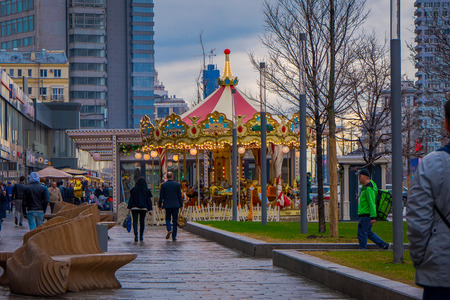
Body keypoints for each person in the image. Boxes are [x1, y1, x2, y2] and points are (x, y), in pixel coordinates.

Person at [407, 100, 450, 300]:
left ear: (446, 124)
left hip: (442, 272)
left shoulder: (432, 165)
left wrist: (421, 259)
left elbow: (417, 221)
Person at [357, 169, 389, 250]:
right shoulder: (368, 187)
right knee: (368, 232)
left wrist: (373, 217)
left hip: (366, 214)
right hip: (366, 214)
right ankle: (383, 245)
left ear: (364, 177)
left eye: (359, 176)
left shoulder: (368, 189)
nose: (358, 178)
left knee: (361, 232)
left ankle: (363, 249)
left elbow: (372, 203)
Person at [158, 172, 183, 241]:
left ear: (166, 177)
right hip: (175, 205)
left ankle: (169, 229)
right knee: (175, 220)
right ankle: (174, 236)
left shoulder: (164, 185)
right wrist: (181, 205)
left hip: (167, 205)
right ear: (172, 176)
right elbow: (179, 196)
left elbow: (161, 196)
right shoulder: (177, 185)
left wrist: (159, 205)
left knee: (167, 218)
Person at [127, 177, 153, 242]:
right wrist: (150, 209)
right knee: (142, 222)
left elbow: (131, 200)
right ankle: (141, 236)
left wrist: (129, 208)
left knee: (135, 222)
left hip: (134, 208)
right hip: (143, 208)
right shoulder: (146, 190)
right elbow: (148, 201)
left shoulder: (134, 190)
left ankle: (136, 236)